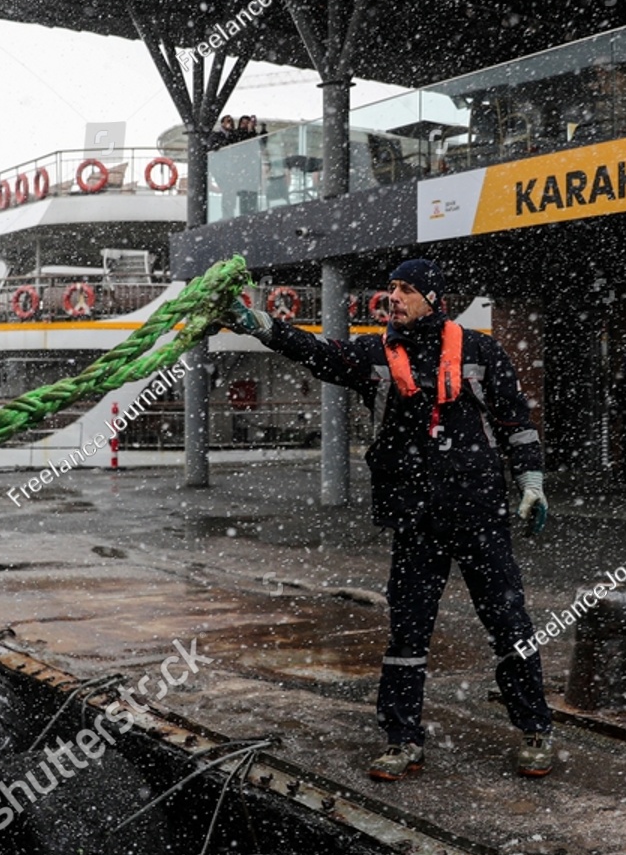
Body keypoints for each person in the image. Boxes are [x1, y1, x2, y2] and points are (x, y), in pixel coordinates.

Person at [219, 258, 555, 780]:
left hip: (480, 516)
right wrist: (264, 327)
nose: (392, 297)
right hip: (415, 520)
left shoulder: (481, 352)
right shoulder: (375, 355)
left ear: (434, 299)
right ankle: (402, 739)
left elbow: (517, 423)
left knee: (509, 623)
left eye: (405, 289)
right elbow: (320, 354)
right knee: (407, 634)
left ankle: (535, 728)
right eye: (391, 288)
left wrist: (531, 483)